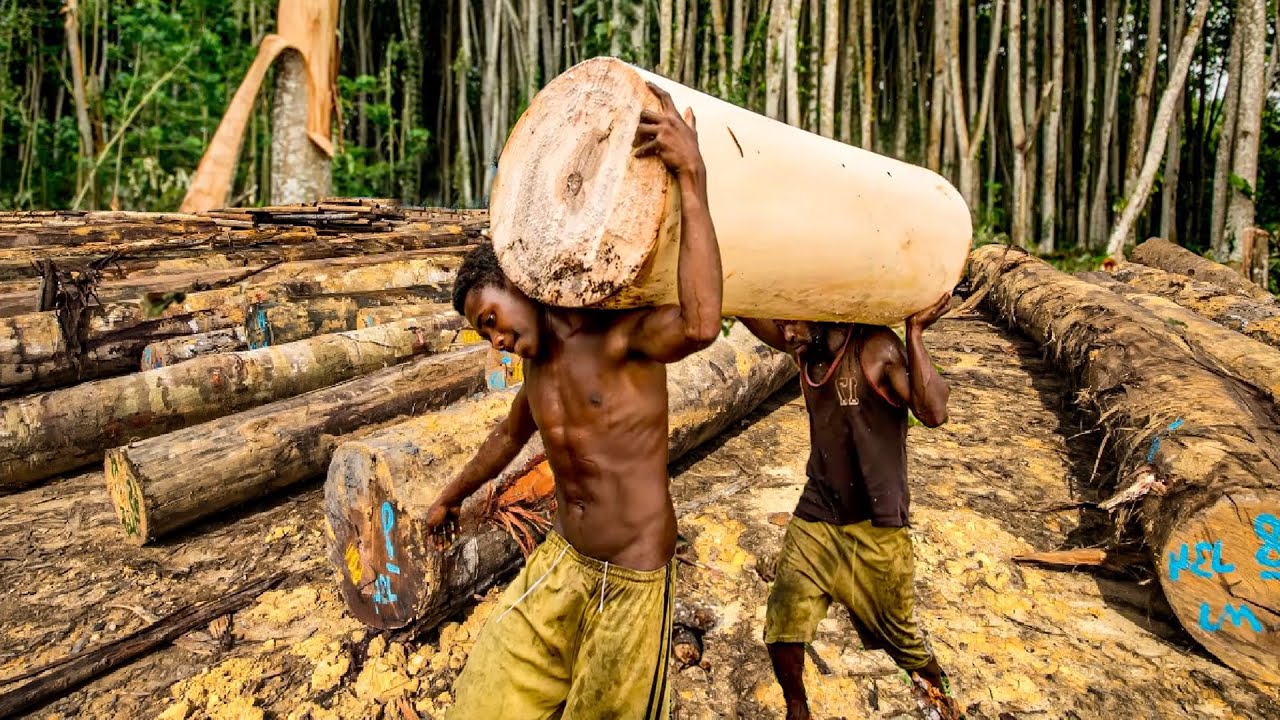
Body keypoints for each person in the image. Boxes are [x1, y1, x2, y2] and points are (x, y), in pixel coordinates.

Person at [426, 82, 722, 720]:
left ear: (521, 278)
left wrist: (691, 176)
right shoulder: (536, 370)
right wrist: (450, 493)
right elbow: (506, 440)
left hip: (633, 574)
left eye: (493, 318)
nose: (499, 338)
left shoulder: (613, 337)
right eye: (485, 334)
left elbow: (701, 325)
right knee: (487, 692)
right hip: (564, 558)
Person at [737, 298, 960, 720]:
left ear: (821, 310)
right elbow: (752, 309)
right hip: (818, 513)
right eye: (781, 325)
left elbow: (933, 411)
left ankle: (942, 699)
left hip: (877, 526)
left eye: (792, 325)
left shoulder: (877, 348)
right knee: (783, 618)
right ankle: (797, 709)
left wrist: (914, 333)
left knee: (902, 642)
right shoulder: (805, 346)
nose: (785, 334)